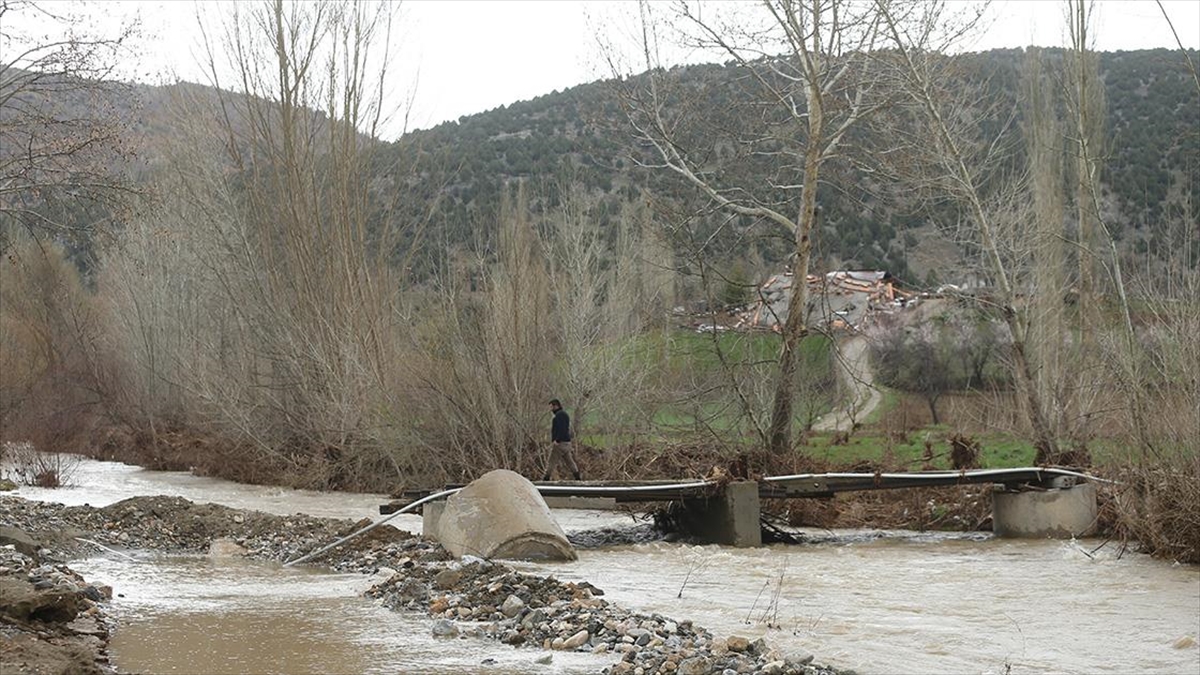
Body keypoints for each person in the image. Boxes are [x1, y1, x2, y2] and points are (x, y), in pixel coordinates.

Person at [542, 398, 581, 481]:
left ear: (556, 406)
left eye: (551, 407)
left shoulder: (558, 416)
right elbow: (566, 429)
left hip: (560, 443)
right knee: (569, 461)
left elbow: (561, 429)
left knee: (551, 461)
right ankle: (577, 477)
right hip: (567, 442)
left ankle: (546, 479)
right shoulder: (565, 414)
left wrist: (557, 440)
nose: (551, 409)